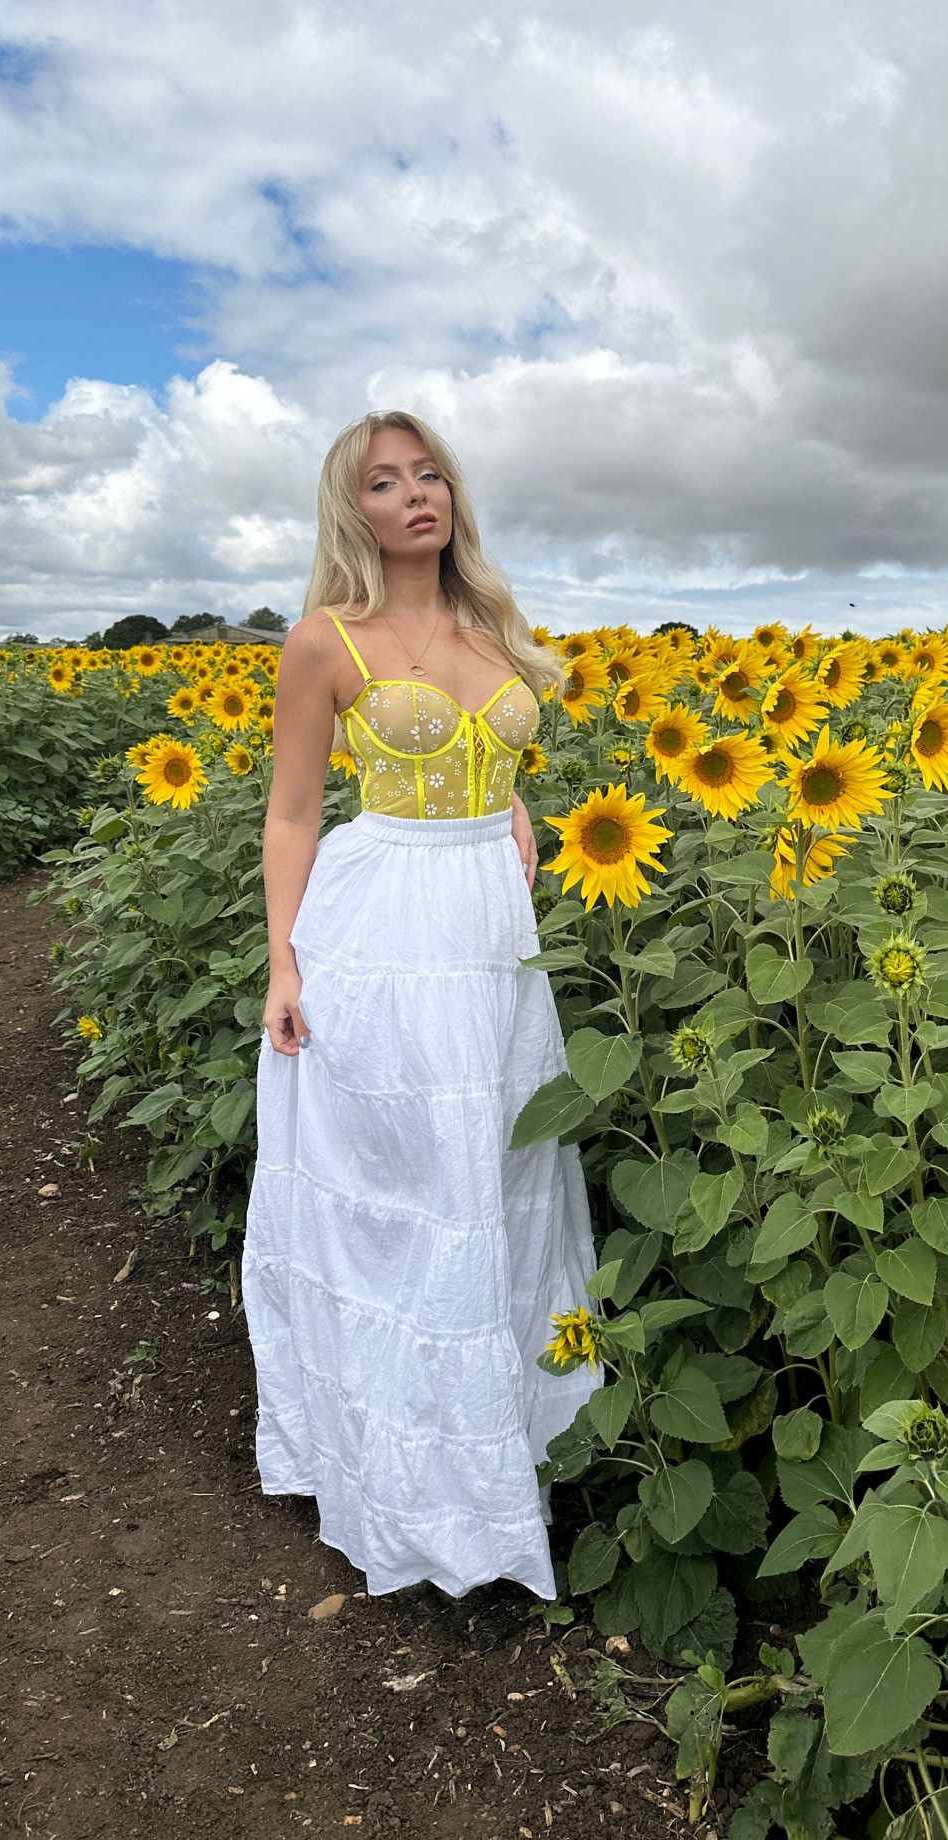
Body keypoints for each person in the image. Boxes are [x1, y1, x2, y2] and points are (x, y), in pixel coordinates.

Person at [241, 409, 597, 1602]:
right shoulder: (323, 639)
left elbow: (499, 760)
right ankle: (402, 1472)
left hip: (490, 931)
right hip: (382, 924)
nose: (415, 495)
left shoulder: (495, 623)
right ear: (356, 512)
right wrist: (285, 965)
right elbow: (294, 812)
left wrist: (514, 814)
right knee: (406, 1193)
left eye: (429, 472)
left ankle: (496, 1445)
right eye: (385, 483)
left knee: (497, 1174)